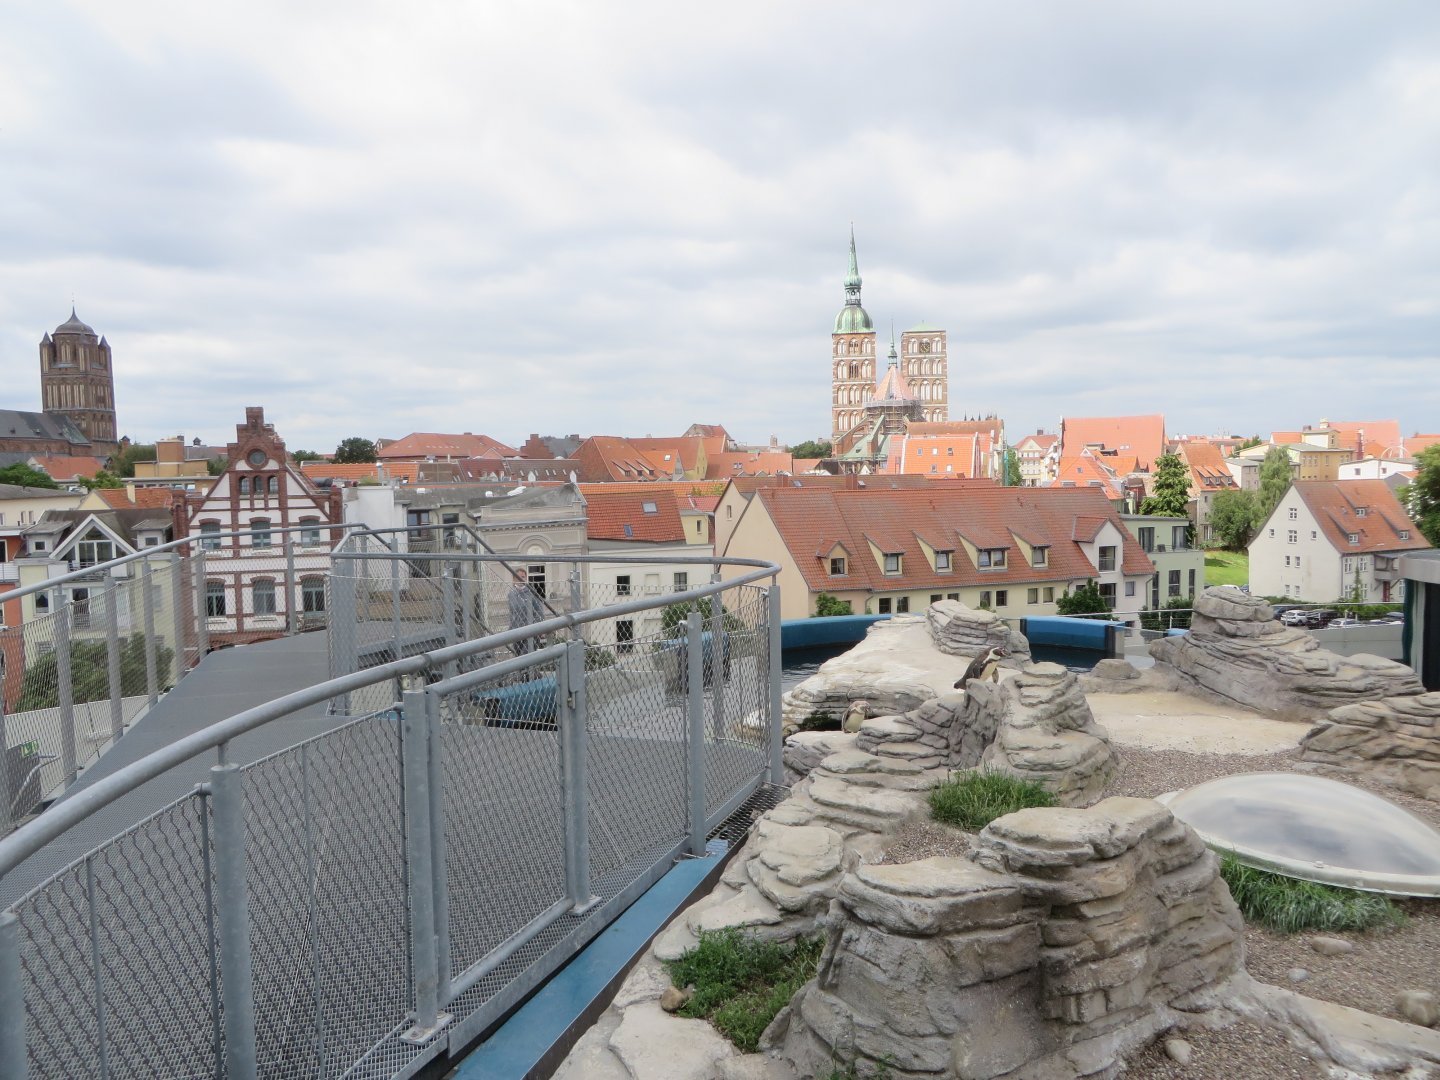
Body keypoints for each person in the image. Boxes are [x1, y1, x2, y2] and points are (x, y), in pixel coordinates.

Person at [507, 568, 545, 658]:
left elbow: (539, 612)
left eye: (523, 577)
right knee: (518, 657)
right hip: (516, 632)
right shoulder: (511, 594)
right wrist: (510, 629)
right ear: (513, 579)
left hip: (531, 631)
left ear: (526, 578)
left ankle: (529, 671)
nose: (520, 579)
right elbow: (512, 613)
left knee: (526, 658)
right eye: (518, 577)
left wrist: (540, 628)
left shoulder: (532, 592)